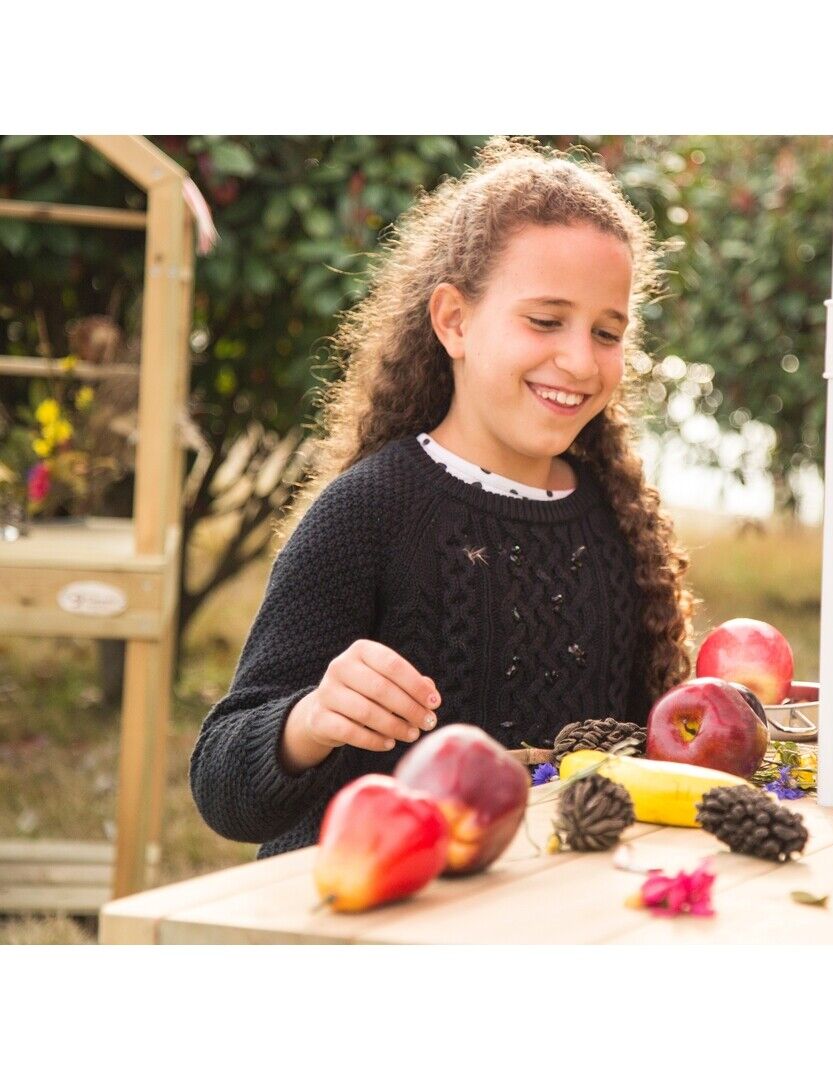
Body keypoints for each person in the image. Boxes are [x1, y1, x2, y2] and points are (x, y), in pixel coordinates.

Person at [190, 136, 700, 859]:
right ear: (454, 322)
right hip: (374, 925)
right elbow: (220, 784)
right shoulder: (368, 514)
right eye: (545, 320)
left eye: (607, 331)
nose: (580, 360)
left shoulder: (620, 525)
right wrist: (310, 720)